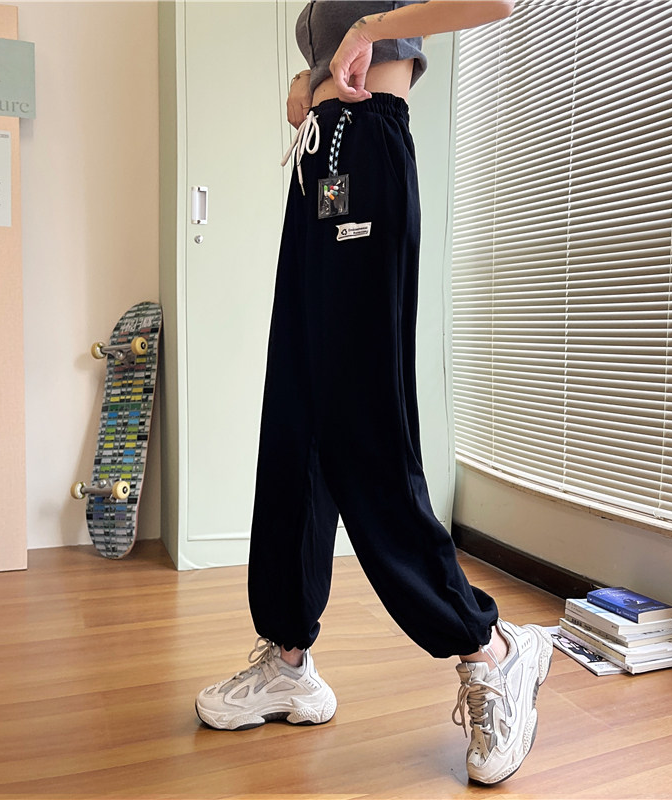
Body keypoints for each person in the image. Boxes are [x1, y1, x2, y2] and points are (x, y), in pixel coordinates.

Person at [195, 1, 552, 785]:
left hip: (369, 151)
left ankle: (489, 647)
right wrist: (310, 76)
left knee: (363, 425)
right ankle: (288, 656)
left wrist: (367, 32)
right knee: (297, 418)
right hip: (321, 163)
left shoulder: (379, 28)